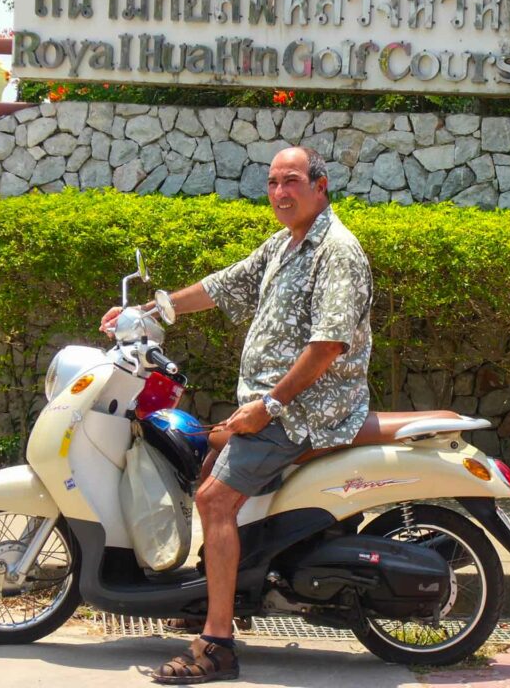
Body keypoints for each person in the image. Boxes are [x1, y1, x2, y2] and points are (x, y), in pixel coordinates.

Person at [100, 146, 373, 684]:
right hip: (277, 404)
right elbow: (226, 284)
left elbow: (327, 347)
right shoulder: (286, 244)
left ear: (321, 187)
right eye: (272, 183)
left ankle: (218, 643)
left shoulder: (335, 250)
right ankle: (213, 593)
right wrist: (147, 312)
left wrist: (266, 407)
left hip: (303, 410)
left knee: (213, 499)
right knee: (200, 464)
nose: (280, 193)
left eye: (291, 181)